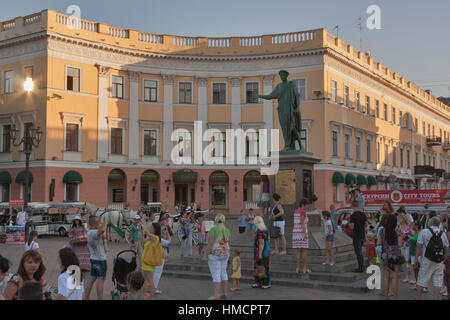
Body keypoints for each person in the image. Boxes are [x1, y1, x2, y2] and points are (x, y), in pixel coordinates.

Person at [416, 216, 449, 300]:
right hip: (439, 260)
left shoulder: (424, 232)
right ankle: (435, 298)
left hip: (427, 259)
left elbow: (419, 247)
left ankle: (419, 298)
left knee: (421, 279)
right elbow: (446, 249)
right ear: (438, 224)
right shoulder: (443, 233)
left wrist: (416, 258)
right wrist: (443, 259)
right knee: (437, 281)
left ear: (430, 223)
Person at [202, 214, 231, 300]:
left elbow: (210, 244)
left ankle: (216, 295)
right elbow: (229, 243)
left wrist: (205, 255)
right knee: (224, 272)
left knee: (216, 274)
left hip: (215, 254)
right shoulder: (227, 230)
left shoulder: (213, 229)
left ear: (215, 220)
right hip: (225, 253)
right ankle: (225, 293)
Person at [378, 213, 402, 300]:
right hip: (394, 255)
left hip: (385, 255)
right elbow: (400, 244)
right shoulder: (398, 231)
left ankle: (386, 297)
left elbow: (379, 243)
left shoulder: (382, 231)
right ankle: (395, 297)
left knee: (386, 277)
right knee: (394, 277)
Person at [84, 215, 108, 300]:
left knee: (92, 278)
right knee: (100, 280)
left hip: (93, 258)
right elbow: (102, 230)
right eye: (98, 222)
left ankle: (86, 297)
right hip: (100, 260)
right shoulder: (93, 232)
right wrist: (105, 222)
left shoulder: (89, 232)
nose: (100, 223)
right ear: (95, 223)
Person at [140, 218, 163, 299]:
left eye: (151, 227)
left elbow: (147, 232)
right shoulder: (150, 238)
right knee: (144, 281)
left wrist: (144, 223)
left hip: (149, 263)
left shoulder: (155, 238)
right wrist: (141, 232)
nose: (150, 228)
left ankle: (151, 297)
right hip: (144, 262)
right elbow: (142, 243)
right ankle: (144, 296)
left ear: (154, 229)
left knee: (150, 280)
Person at [68, 216, 91, 280]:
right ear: (74, 221)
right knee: (76, 255)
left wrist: (83, 237)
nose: (77, 221)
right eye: (76, 220)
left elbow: (85, 233)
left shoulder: (82, 227)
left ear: (79, 221)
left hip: (82, 242)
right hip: (76, 243)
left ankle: (84, 267)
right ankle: (77, 267)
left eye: (78, 220)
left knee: (85, 253)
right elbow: (70, 235)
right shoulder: (72, 228)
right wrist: (73, 238)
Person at [153, 217, 171, 295]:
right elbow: (169, 242)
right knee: (158, 272)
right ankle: (154, 288)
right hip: (160, 256)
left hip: (153, 256)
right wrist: (167, 233)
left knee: (154, 272)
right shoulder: (159, 239)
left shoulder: (153, 237)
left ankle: (150, 287)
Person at [252, 216, 271, 289]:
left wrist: (260, 254)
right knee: (263, 266)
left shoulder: (260, 231)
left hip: (261, 251)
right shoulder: (266, 230)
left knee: (262, 266)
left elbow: (261, 243)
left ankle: (265, 283)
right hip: (266, 250)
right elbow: (268, 240)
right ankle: (260, 282)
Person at [349, 200, 368, 273]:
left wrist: (349, 222)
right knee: (360, 252)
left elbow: (352, 227)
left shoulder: (353, 215)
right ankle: (362, 267)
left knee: (358, 252)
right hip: (362, 235)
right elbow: (366, 224)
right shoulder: (363, 214)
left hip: (356, 236)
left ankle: (361, 268)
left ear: (352, 206)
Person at [293, 199, 310, 274]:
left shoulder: (296, 211)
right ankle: (304, 268)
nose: (306, 206)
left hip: (295, 233)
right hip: (302, 233)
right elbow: (302, 223)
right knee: (304, 250)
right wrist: (305, 233)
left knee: (298, 250)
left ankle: (297, 268)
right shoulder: (303, 212)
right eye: (306, 205)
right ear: (303, 204)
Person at [396, 212, 413, 283]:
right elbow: (396, 237)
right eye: (398, 218)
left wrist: (408, 236)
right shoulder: (397, 227)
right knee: (403, 262)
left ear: (404, 218)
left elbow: (413, 235)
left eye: (400, 218)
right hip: (401, 245)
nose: (399, 219)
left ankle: (413, 278)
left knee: (408, 261)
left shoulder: (409, 226)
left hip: (408, 245)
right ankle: (406, 277)